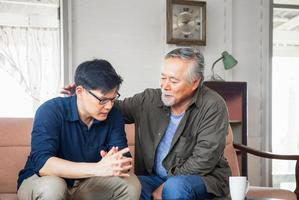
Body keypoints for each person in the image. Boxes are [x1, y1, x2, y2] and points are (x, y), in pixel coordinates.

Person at [62, 47, 231, 199]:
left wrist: (166, 185)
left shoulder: (213, 105)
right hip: (153, 178)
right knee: (124, 187)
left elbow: (204, 159)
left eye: (173, 81)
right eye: (163, 77)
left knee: (175, 188)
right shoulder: (149, 99)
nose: (165, 86)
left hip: (202, 179)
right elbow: (113, 108)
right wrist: (83, 98)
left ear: (195, 82)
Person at [17, 59, 141, 200]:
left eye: (113, 99)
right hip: (43, 181)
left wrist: (119, 163)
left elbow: (124, 161)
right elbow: (43, 164)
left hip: (86, 184)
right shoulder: (50, 110)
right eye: (103, 100)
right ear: (80, 91)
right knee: (53, 187)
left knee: (131, 184)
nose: (109, 106)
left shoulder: (114, 116)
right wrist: (97, 168)